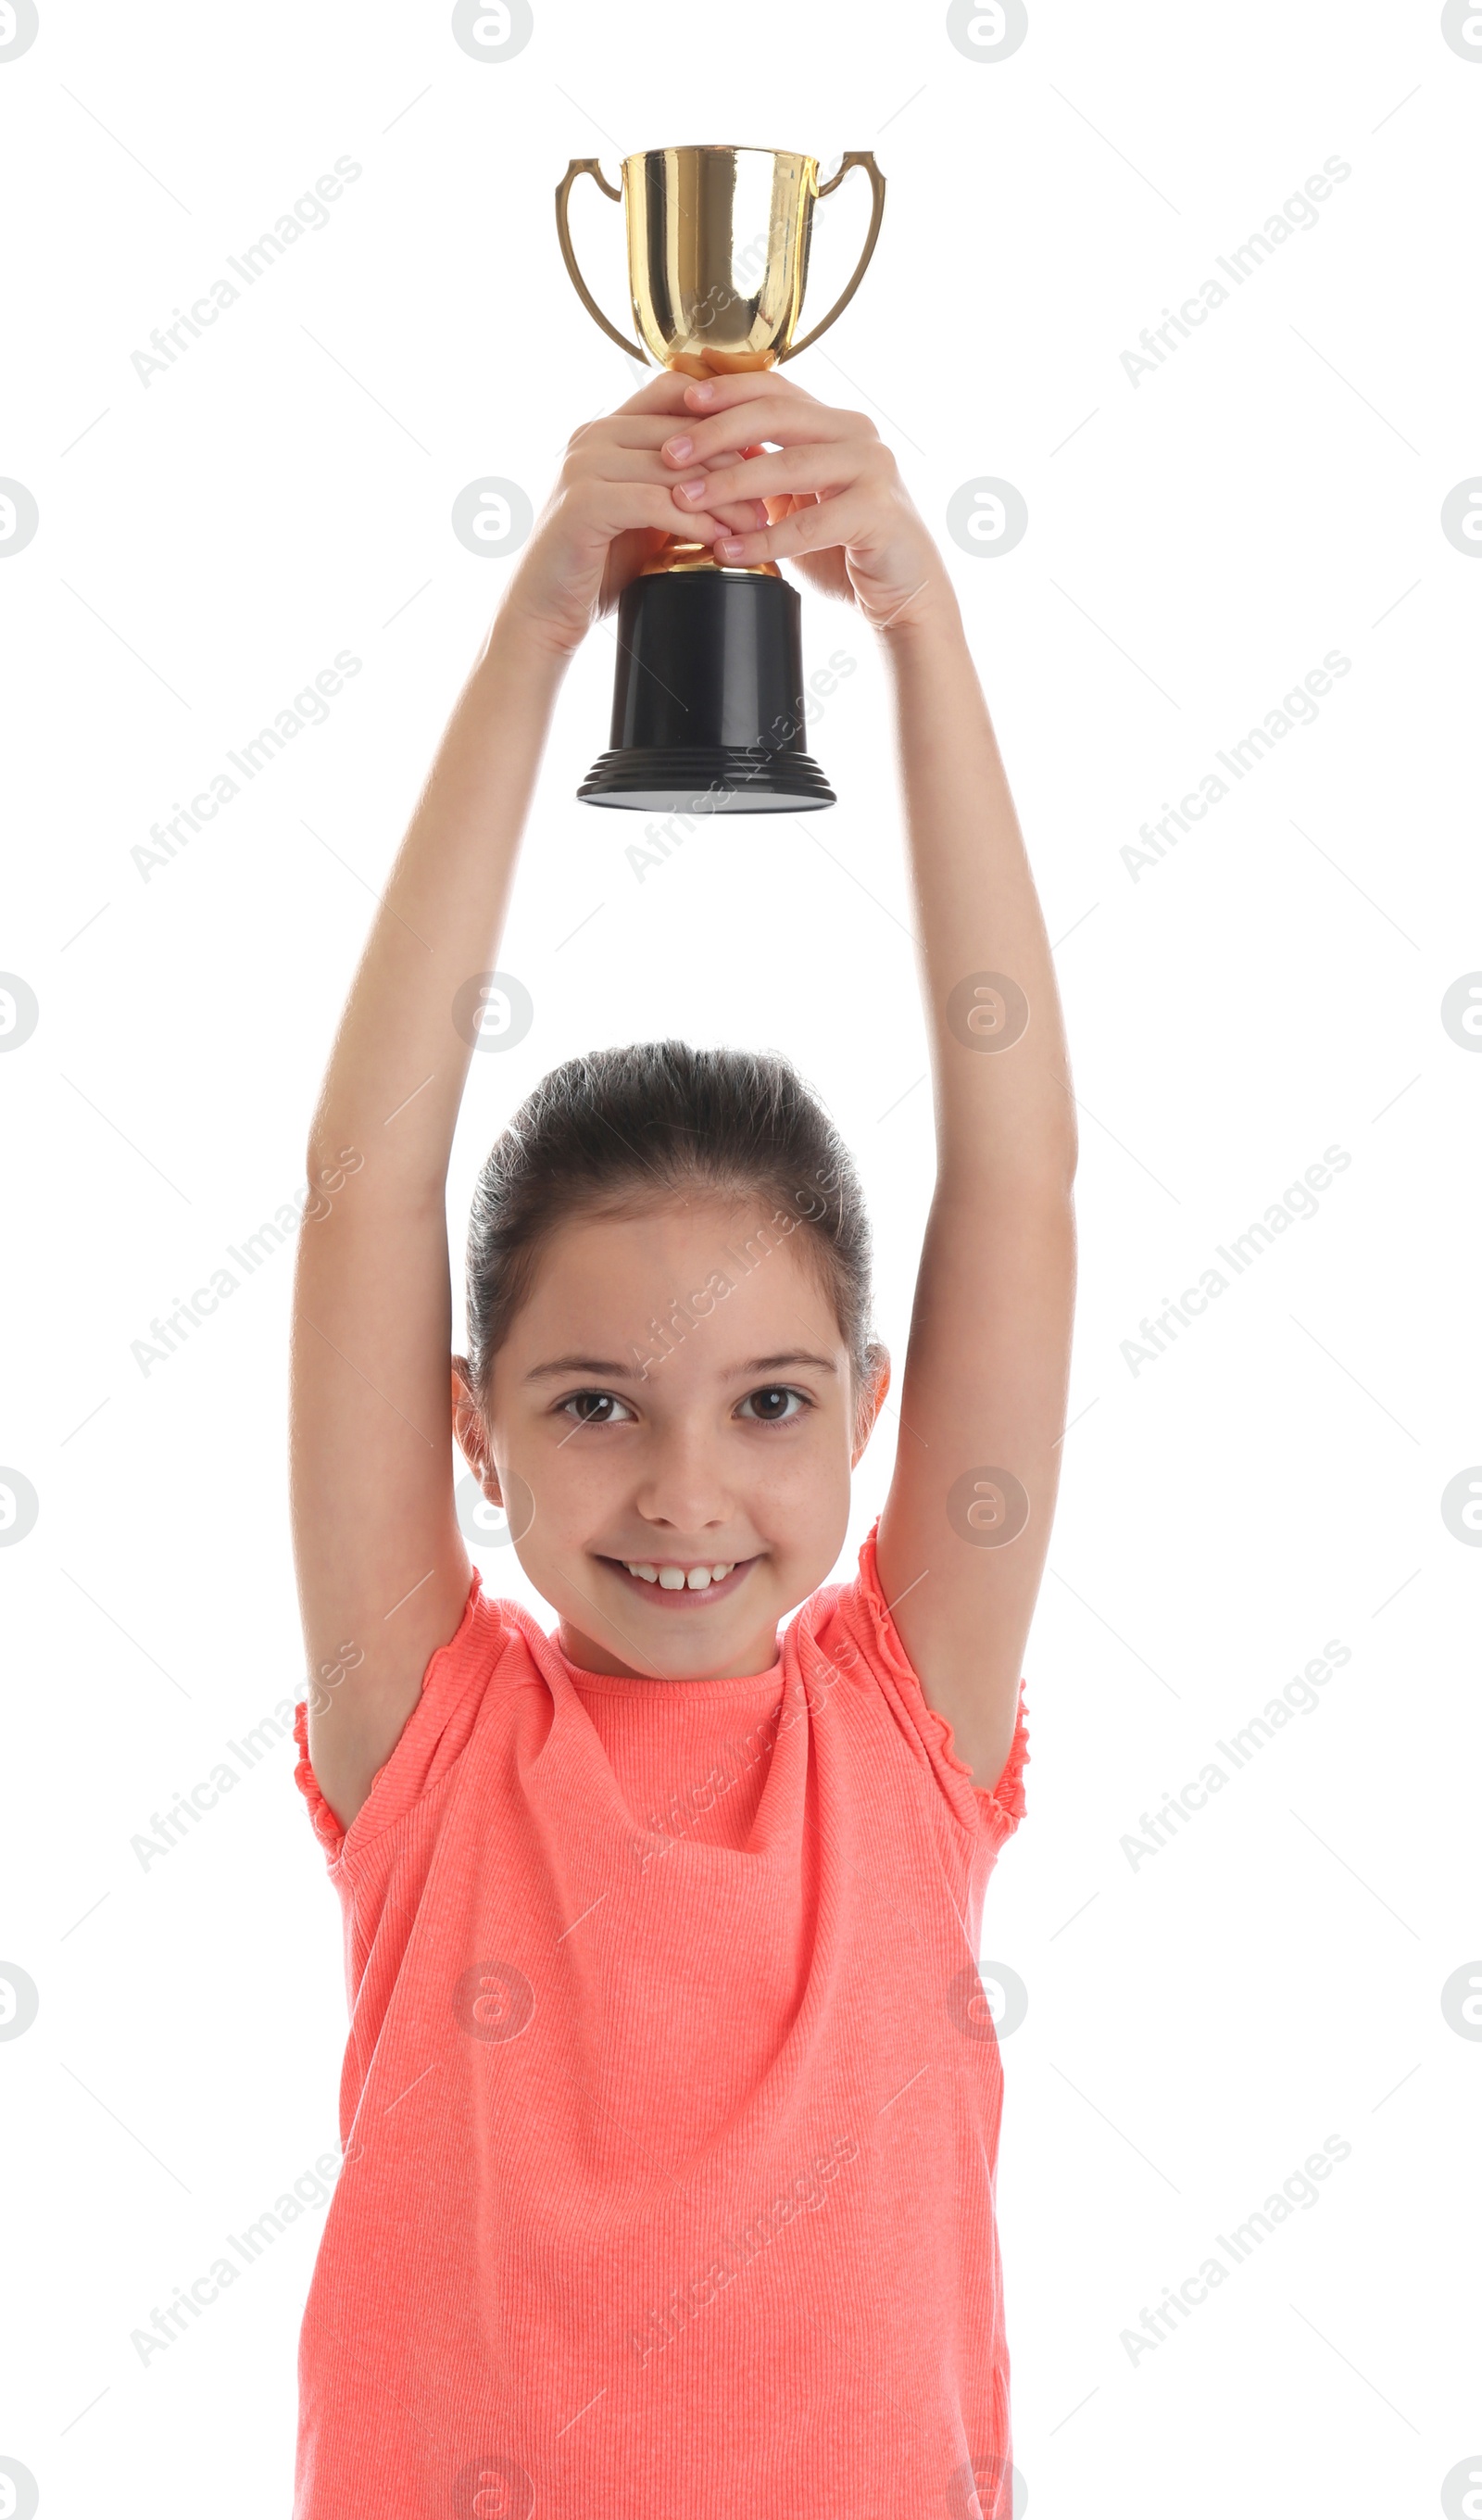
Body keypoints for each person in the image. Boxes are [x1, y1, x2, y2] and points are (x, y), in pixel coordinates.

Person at [287, 363, 1077, 2518]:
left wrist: (912, 611)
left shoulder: (901, 1723)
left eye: (768, 1406)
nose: (685, 1491)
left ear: (867, 1419)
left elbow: (1015, 1177)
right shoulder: (433, 1747)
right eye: (592, 1404)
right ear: (472, 1431)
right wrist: (548, 612)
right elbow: (367, 1187)